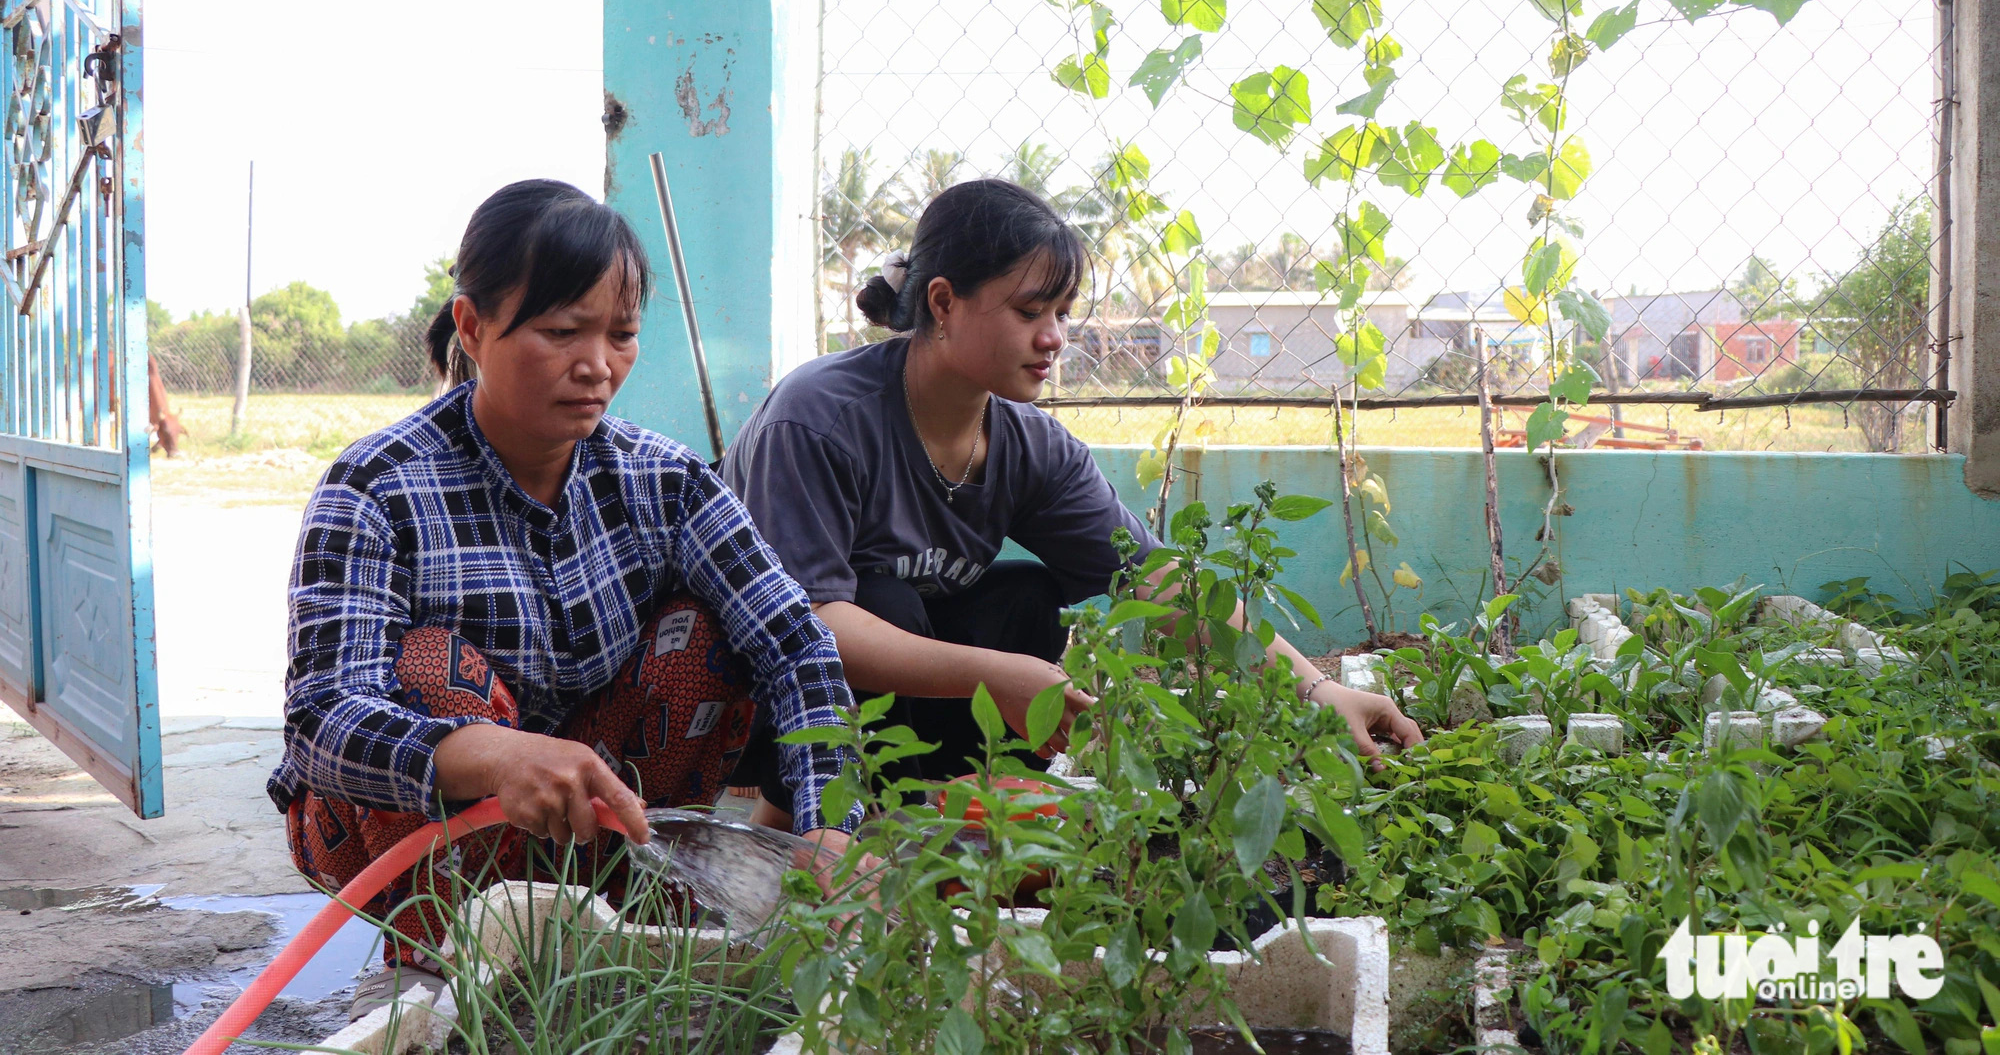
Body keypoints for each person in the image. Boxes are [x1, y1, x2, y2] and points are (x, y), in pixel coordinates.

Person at [268, 180, 858, 1020]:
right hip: (410, 824)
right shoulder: (376, 487)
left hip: (597, 814)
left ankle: (637, 928)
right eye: (560, 332)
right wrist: (497, 755)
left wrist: (829, 824)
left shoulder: (665, 480)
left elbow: (796, 645)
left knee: (708, 639)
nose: (597, 366)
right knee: (432, 671)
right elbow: (324, 717)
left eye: (620, 336)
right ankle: (440, 967)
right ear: (472, 328)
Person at [720, 179, 1421, 831]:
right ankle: (796, 840)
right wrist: (998, 675)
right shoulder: (819, 419)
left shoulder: (1028, 446)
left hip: (883, 692)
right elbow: (808, 627)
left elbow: (1155, 580)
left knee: (1024, 600)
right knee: (887, 607)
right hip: (735, 694)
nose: (1055, 336)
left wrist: (1314, 692)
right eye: (1030, 311)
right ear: (942, 303)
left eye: (1061, 312)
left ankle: (946, 826)